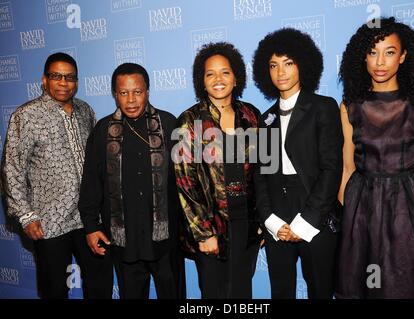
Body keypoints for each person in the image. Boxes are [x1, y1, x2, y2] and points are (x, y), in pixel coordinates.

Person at [336, 17, 414, 299]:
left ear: (404, 56)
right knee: (359, 288)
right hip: (360, 209)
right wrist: (343, 228)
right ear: (363, 57)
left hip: (406, 209)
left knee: (402, 289)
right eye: (372, 52)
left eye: (389, 52)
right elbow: (347, 169)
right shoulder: (349, 105)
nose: (380, 62)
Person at [2, 52, 111, 298]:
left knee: (100, 284)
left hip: (89, 219)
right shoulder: (26, 115)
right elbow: (12, 167)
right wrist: (26, 216)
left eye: (70, 77)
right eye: (57, 76)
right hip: (48, 221)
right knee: (54, 290)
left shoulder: (85, 110)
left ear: (77, 81)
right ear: (44, 80)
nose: (64, 82)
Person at [78, 63, 185, 299]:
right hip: (123, 241)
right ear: (115, 95)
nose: (131, 99)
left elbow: (187, 183)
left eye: (137, 91)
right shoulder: (103, 130)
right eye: (123, 93)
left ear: (147, 91)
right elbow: (91, 184)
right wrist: (91, 226)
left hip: (166, 240)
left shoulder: (169, 125)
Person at [252, 28, 343, 299]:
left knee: (320, 290)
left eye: (288, 63)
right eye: (273, 65)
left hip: (316, 212)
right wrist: (269, 219)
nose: (281, 72)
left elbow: (331, 169)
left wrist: (305, 222)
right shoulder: (265, 119)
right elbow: (261, 175)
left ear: (303, 64)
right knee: (280, 291)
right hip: (277, 218)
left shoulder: (323, 107)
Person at [173, 42, 262, 299]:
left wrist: (261, 223)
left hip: (247, 226)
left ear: (236, 78)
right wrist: (203, 232)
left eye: (225, 72)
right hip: (211, 225)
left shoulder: (252, 116)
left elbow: (263, 172)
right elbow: (184, 180)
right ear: (202, 81)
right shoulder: (189, 120)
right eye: (210, 73)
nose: (218, 79)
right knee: (214, 294)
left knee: (242, 294)